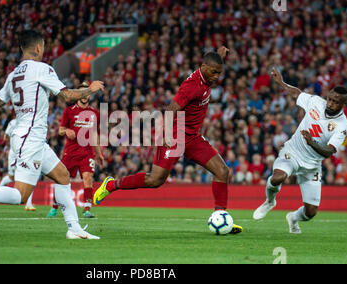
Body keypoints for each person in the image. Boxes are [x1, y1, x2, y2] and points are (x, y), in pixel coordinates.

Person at [0, 30, 105, 240]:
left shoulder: (13, 75)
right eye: (44, 47)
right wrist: (90, 90)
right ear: (38, 48)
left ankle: (74, 229)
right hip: (30, 139)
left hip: (31, 139)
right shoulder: (42, 69)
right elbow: (67, 95)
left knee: (63, 176)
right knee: (21, 195)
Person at [93, 47, 243, 234]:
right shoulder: (192, 86)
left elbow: (214, 62)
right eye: (214, 72)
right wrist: (165, 135)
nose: (216, 77)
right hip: (175, 134)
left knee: (222, 171)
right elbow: (171, 108)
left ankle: (220, 217)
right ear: (203, 67)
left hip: (193, 137)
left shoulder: (208, 71)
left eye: (219, 73)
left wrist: (220, 55)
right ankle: (111, 184)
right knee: (155, 180)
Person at [253, 68, 347, 234]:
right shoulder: (316, 102)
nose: (330, 104)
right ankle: (270, 201)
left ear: (342, 104)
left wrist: (311, 142)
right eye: (330, 99)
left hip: (312, 165)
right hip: (293, 152)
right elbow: (297, 93)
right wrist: (281, 83)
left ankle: (293, 218)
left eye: (335, 102)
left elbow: (328, 151)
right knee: (278, 177)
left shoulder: (342, 125)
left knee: (310, 212)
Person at [47, 81, 104, 218]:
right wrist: (66, 131)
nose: (84, 95)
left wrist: (98, 153)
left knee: (88, 177)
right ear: (78, 95)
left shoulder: (94, 113)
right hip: (71, 152)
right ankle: (55, 206)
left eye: (87, 92)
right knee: (63, 179)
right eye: (82, 92)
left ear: (89, 95)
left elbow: (95, 134)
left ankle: (87, 209)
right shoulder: (68, 111)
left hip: (87, 152)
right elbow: (60, 130)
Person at [0, 117, 36, 211]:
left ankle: (29, 204)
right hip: (14, 153)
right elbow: (5, 136)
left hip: (26, 152)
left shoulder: (30, 122)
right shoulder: (13, 122)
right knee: (11, 177)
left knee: (29, 176)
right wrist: (13, 142)